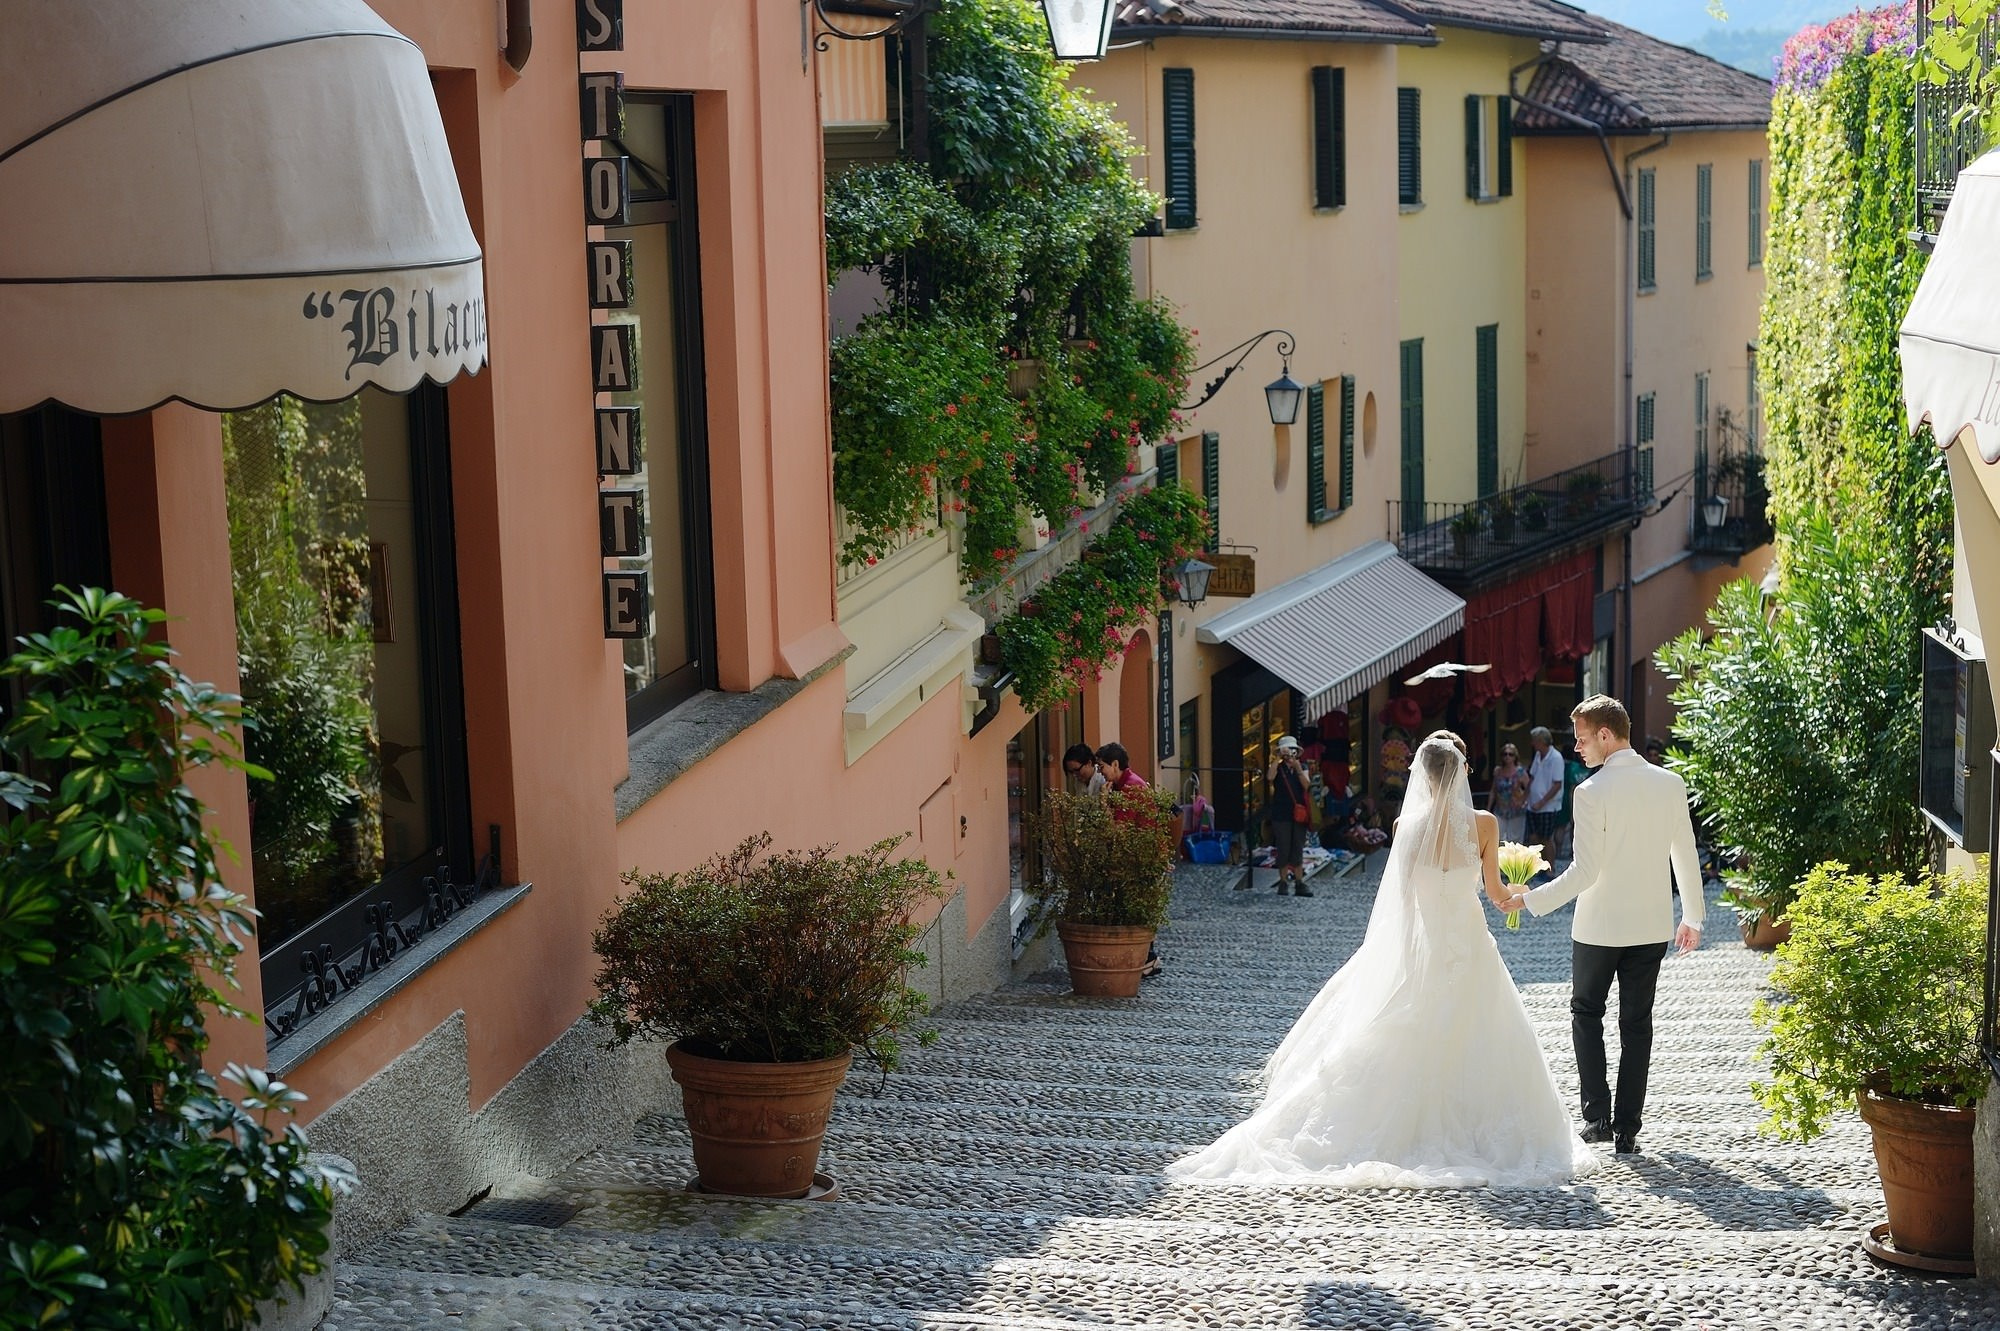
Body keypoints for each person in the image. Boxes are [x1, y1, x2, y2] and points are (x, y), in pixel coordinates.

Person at [1168, 731, 1598, 1187]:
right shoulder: (1486, 824)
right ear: (1461, 772)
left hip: (1426, 945)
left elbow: (1403, 902)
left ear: (1423, 777)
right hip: (1470, 946)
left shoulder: (1405, 828)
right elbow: (1495, 894)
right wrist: (1520, 890)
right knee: (1483, 1035)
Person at [1502, 695, 1704, 1157]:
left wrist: (1529, 899)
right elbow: (1685, 853)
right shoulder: (1670, 784)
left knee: (1586, 1014)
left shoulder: (1590, 792)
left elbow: (1585, 871)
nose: (1577, 748)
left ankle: (1596, 1119)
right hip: (1651, 926)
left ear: (1606, 736)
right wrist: (1692, 916)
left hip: (1599, 927)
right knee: (1637, 1024)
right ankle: (1628, 1128)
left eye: (1582, 738)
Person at [1096, 742, 1165, 977]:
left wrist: (1104, 804)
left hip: (1139, 859)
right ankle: (1146, 958)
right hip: (1140, 857)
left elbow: (1119, 830)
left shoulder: (1130, 788)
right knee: (1136, 906)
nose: (1101, 772)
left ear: (1115, 764)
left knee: (1135, 907)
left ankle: (1148, 959)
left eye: (1102, 767)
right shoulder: (1125, 785)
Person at [1266, 736, 1314, 897]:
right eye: (1286, 751)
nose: (1289, 754)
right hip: (1281, 813)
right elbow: (1269, 777)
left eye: (1292, 751)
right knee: (1283, 847)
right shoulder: (1279, 768)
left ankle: (1299, 882)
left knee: (1297, 847)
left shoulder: (1302, 767)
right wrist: (1278, 758)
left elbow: (1307, 785)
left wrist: (1297, 767)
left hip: (1299, 814)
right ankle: (1283, 882)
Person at [1523, 725, 1564, 865]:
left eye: (1534, 740)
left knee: (1546, 838)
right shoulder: (1538, 755)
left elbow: (1557, 784)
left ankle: (1550, 868)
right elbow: (1532, 777)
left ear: (1541, 741)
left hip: (1548, 806)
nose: (1532, 743)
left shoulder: (1556, 758)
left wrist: (1542, 802)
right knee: (1534, 838)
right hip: (1532, 804)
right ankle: (1539, 866)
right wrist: (1525, 797)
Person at [1488, 742, 1529, 845]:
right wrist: (1489, 808)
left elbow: (1529, 788)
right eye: (1505, 754)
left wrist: (1523, 801)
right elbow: (1493, 790)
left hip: (1516, 811)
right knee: (1499, 838)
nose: (1507, 757)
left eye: (1511, 754)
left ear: (1515, 757)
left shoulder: (1520, 772)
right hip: (1500, 810)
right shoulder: (1498, 771)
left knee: (1515, 840)